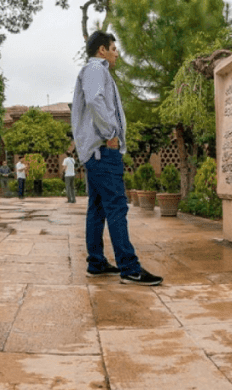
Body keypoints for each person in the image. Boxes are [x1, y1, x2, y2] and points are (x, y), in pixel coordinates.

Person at [72, 31, 162, 286]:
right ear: (102, 50)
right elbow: (95, 100)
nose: (116, 53)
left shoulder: (96, 71)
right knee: (116, 207)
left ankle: (97, 262)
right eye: (113, 48)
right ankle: (129, 268)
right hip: (103, 151)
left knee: (98, 208)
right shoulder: (95, 69)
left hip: (96, 152)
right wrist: (110, 132)